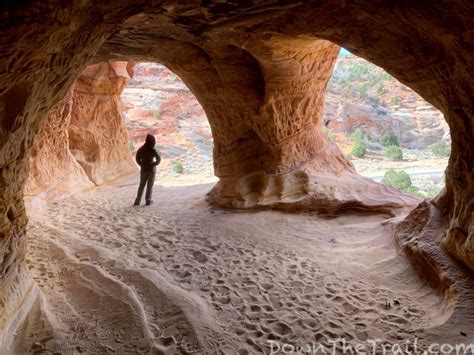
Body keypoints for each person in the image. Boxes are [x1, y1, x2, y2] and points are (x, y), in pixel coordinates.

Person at [134, 134, 161, 206]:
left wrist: (141, 164)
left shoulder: (141, 149)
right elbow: (158, 159)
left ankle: (137, 201)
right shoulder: (152, 150)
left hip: (143, 169)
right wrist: (154, 164)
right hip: (151, 170)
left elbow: (137, 159)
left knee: (141, 185)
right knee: (149, 186)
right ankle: (148, 200)